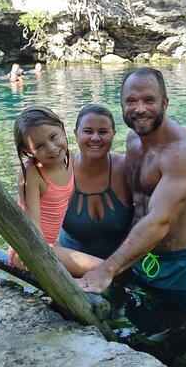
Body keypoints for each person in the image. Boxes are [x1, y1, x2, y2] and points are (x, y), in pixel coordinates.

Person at [76, 67, 186, 362]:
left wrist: (106, 269)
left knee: (182, 344)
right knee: (144, 335)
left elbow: (159, 220)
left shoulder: (183, 153)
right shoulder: (133, 139)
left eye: (149, 100)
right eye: (131, 101)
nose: (139, 109)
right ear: (122, 104)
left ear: (165, 102)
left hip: (184, 267)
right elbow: (134, 199)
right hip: (142, 257)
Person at [11, 106, 103, 277]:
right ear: (27, 151)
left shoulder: (69, 158)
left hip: (51, 243)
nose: (52, 148)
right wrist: (42, 256)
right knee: (101, 267)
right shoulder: (32, 173)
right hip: (29, 249)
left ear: (61, 129)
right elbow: (32, 227)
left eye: (53, 137)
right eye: (39, 146)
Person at [59, 104, 133, 260]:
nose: (95, 138)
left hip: (121, 264)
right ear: (75, 133)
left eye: (103, 132)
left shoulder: (127, 168)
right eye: (88, 131)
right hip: (70, 265)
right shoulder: (60, 172)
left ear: (114, 134)